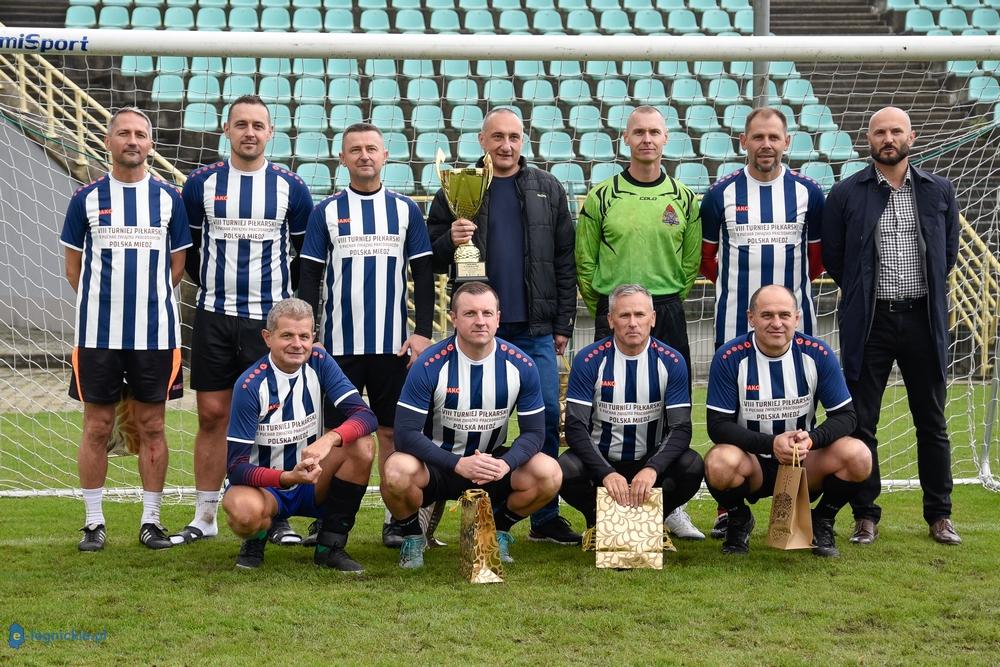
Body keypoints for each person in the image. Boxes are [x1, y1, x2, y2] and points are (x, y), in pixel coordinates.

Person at [426, 108, 580, 546]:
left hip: (535, 332)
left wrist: (563, 323)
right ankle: (438, 513)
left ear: (523, 140)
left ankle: (542, 518)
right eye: (497, 137)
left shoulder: (547, 188)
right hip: (474, 337)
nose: (506, 145)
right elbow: (432, 256)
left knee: (547, 418)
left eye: (514, 136)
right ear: (482, 140)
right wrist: (448, 239)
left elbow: (564, 261)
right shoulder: (457, 188)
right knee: (460, 423)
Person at [177, 95, 314, 546]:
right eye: (241, 124)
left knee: (273, 419)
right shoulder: (199, 184)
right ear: (227, 130)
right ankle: (205, 514)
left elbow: (301, 258)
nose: (249, 132)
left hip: (268, 322)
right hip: (215, 315)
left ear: (270, 132)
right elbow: (191, 250)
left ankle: (278, 514)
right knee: (212, 414)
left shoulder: (291, 187)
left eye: (258, 125)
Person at [822, 106, 962, 546]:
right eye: (880, 131)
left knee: (932, 421)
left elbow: (949, 252)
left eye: (895, 131)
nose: (888, 138)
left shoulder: (939, 190)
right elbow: (835, 258)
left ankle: (939, 515)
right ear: (869, 139)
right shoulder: (846, 193)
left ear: (911, 137)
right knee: (863, 422)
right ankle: (866, 515)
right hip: (871, 323)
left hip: (923, 319)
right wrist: (867, 298)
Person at [60, 107, 191, 551]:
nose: (132, 141)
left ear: (150, 143)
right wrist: (108, 302)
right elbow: (74, 269)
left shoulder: (169, 198)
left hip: (156, 336)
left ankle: (150, 522)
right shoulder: (86, 198)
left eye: (140, 134)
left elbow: (177, 266)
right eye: (123, 133)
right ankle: (93, 523)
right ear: (108, 141)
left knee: (152, 425)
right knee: (97, 426)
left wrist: (144, 300)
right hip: (97, 335)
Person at [299, 122, 435, 548]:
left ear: (385, 155)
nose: (364, 156)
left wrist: (422, 333)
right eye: (355, 149)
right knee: (339, 437)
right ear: (342, 158)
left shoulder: (405, 209)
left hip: (392, 347)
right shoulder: (325, 211)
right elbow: (310, 275)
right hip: (337, 348)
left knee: (393, 433)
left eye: (371, 148)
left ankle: (398, 521)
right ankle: (328, 519)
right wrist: (312, 334)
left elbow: (424, 273)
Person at [575, 105, 704, 540]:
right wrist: (610, 304)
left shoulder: (685, 197)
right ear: (625, 140)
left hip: (665, 308)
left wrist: (661, 302)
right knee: (601, 405)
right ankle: (605, 500)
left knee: (670, 408)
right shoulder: (602, 195)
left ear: (666, 139)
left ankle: (668, 507)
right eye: (639, 132)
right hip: (614, 308)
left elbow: (690, 262)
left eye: (655, 132)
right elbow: (585, 258)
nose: (647, 139)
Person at [699, 106, 826, 539]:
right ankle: (727, 509)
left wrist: (778, 311)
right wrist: (747, 305)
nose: (766, 145)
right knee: (733, 413)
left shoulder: (809, 192)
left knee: (796, 405)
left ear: (787, 142)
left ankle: (795, 499)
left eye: (774, 137)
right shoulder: (720, 194)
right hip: (735, 324)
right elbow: (708, 260)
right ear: (744, 142)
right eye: (758, 137)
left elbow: (816, 261)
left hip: (793, 328)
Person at [381, 282, 563, 569]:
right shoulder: (428, 364)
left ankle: (498, 531)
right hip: (439, 465)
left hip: (492, 465)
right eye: (470, 314)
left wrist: (506, 464)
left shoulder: (521, 365)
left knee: (549, 472)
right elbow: (405, 435)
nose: (480, 321)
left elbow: (535, 433)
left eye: (487, 313)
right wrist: (457, 464)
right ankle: (412, 536)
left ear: (498, 318)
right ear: (454, 317)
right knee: (395, 470)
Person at [703, 285, 872, 557]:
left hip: (804, 461)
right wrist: (771, 444)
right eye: (767, 315)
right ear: (751, 318)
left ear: (797, 317)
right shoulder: (729, 357)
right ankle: (738, 520)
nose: (776, 323)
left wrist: (812, 439)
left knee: (859, 456)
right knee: (718, 463)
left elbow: (846, 416)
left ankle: (822, 520)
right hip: (753, 462)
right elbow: (717, 425)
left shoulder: (817, 353)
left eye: (784, 315)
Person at [221, 298, 377, 571]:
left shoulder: (319, 362)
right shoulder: (249, 385)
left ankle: (330, 546)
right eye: (287, 336)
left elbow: (366, 416)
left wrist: (330, 439)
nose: (297, 344)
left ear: (313, 337)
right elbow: (236, 468)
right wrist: (287, 477)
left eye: (304, 336)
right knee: (243, 511)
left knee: (362, 445)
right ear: (267, 338)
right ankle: (257, 538)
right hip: (266, 487)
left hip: (312, 480)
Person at [559, 284, 704, 544]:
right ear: (611, 320)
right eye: (624, 316)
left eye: (640, 315)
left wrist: (652, 468)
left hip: (648, 464)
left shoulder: (671, 361)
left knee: (692, 465)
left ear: (653, 318)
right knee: (565, 469)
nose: (633, 323)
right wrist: (606, 472)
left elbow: (681, 428)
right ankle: (599, 520)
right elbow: (575, 427)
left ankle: (653, 518)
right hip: (602, 462)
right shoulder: (588, 359)